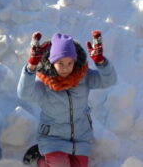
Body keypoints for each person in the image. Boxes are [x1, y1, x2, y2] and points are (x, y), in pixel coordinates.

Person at [17, 31, 117, 167]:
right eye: (60, 63)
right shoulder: (46, 84)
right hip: (53, 139)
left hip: (80, 138)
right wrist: (31, 67)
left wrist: (101, 62)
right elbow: (24, 94)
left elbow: (109, 81)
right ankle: (41, 161)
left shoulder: (84, 77)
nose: (66, 68)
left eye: (70, 63)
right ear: (52, 62)